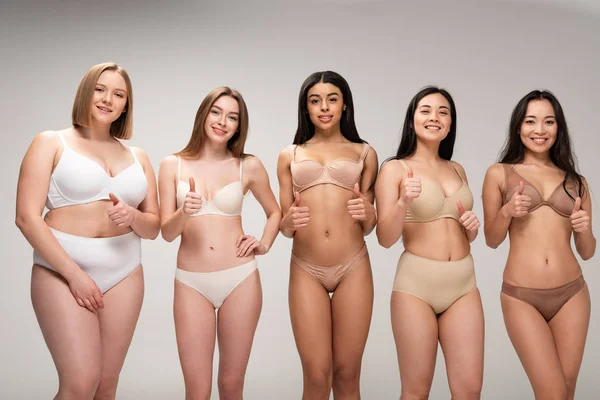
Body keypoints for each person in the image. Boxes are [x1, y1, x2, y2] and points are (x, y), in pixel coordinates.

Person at [15, 62, 160, 400]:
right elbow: (26, 217)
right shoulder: (50, 142)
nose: (108, 99)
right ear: (86, 92)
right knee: (80, 384)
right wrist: (74, 274)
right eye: (100, 89)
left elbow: (153, 225)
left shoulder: (138, 156)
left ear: (126, 104)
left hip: (124, 272)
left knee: (106, 387)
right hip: (61, 271)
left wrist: (133, 218)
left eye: (118, 94)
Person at [158, 86, 281, 399]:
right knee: (197, 391)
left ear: (238, 126)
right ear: (204, 114)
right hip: (191, 282)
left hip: (240, 279)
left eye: (232, 117)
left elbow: (275, 212)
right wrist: (184, 212)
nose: (222, 122)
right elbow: (167, 232)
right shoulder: (172, 165)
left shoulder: (248, 166)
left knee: (230, 386)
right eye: (216, 112)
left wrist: (264, 243)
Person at [482, 89, 595, 399]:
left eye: (549, 121)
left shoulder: (577, 181)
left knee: (567, 391)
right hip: (522, 297)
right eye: (531, 121)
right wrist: (507, 211)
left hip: (572, 293)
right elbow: (492, 239)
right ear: (519, 127)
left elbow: (587, 251)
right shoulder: (499, 174)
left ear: (558, 128)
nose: (540, 130)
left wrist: (584, 229)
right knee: (553, 392)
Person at [375, 86, 484, 399]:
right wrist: (402, 201)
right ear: (412, 120)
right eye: (425, 110)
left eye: (443, 112)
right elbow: (385, 238)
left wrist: (472, 228)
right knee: (416, 391)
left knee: (469, 391)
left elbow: (465, 233)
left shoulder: (457, 169)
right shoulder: (394, 168)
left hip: (463, 283)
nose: (434, 117)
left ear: (450, 124)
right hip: (416, 287)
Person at [277, 71, 378, 399]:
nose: (324, 107)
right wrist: (288, 220)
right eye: (315, 100)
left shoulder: (364, 153)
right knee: (317, 376)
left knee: (348, 375)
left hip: (353, 265)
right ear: (305, 108)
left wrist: (369, 212)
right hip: (306, 268)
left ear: (344, 105)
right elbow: (284, 227)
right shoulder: (289, 155)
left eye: (332, 99)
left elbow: (369, 222)